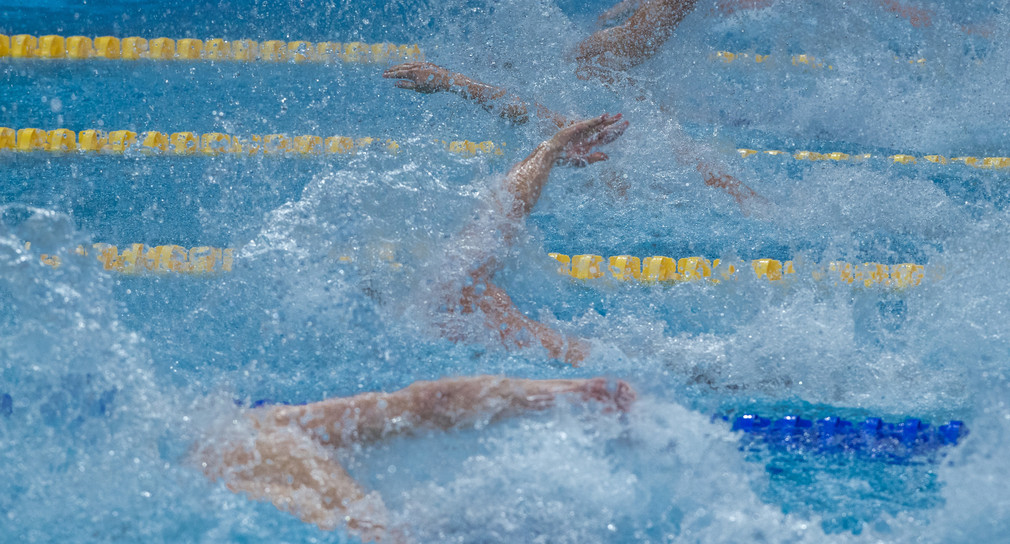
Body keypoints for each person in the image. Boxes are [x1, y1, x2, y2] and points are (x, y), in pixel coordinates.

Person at [197, 116, 632, 541]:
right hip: (607, 365)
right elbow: (500, 215)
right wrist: (548, 150)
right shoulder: (448, 296)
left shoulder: (434, 314)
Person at [197, 375, 636, 542]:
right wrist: (557, 392)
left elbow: (427, 403)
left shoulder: (250, 435)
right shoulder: (258, 436)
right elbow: (421, 404)